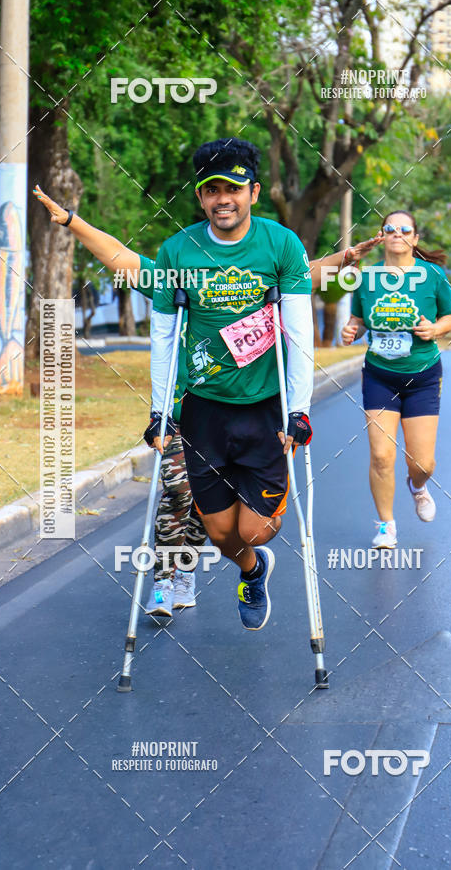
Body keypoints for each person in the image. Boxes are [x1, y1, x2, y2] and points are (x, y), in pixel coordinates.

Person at [150, 138, 315, 631]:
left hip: (266, 408)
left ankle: (256, 553)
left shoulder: (281, 244)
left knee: (255, 528)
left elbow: (300, 332)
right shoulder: (176, 251)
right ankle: (250, 569)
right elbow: (163, 335)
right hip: (204, 409)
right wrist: (160, 411)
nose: (223, 199)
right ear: (200, 197)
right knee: (223, 535)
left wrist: (299, 409)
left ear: (254, 192)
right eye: (212, 190)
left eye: (233, 189)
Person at [32, 185, 207, 617]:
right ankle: (163, 582)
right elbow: (118, 255)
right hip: (180, 411)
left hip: (232, 410)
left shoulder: (246, 283)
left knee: (211, 503)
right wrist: (73, 221)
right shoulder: (171, 279)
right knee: (179, 492)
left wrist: (344, 261)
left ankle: (187, 569)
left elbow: (302, 271)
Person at [341, 210, 451, 548]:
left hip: (422, 377)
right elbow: (358, 319)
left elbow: (450, 316)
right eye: (390, 228)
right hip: (379, 376)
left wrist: (435, 328)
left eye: (405, 229)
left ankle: (417, 486)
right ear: (382, 236)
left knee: (422, 463)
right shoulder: (367, 278)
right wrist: (352, 329)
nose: (397, 233)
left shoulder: (432, 275)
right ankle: (385, 526)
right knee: (380, 456)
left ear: (415, 239)